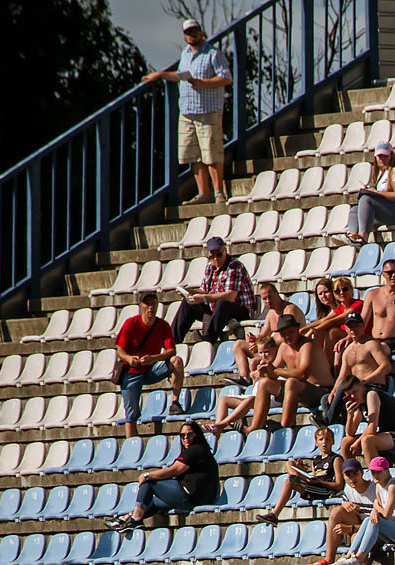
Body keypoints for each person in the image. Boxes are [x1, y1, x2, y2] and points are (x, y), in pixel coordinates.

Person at [145, 18, 233, 205]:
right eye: (188, 32)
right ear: (185, 35)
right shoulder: (185, 54)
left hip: (207, 109)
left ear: (201, 32)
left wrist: (203, 83)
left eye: (195, 31)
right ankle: (203, 193)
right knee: (193, 154)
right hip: (187, 110)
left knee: (211, 152)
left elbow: (226, 78)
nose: (192, 35)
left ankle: (218, 192)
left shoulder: (213, 53)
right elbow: (179, 75)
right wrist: (160, 75)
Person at [339, 457, 395, 565]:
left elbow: (386, 515)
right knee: (368, 520)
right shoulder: (378, 486)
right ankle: (349, 555)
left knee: (375, 521)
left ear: (387, 470)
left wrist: (375, 506)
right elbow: (379, 510)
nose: (375, 475)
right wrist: (375, 509)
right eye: (373, 472)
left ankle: (359, 559)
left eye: (378, 472)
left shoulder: (394, 485)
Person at [127, 421, 218, 529]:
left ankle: (136, 519)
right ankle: (129, 518)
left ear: (197, 435)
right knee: (156, 502)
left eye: (189, 435)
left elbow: (174, 470)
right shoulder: (202, 449)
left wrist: (147, 475)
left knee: (149, 482)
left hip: (190, 496)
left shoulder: (195, 450)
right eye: (182, 435)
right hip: (200, 498)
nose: (185, 438)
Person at [112, 289, 177, 436]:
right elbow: (120, 350)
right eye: (147, 304)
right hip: (132, 371)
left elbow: (172, 350)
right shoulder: (131, 323)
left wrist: (153, 358)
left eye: (153, 303)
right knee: (131, 414)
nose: (150, 307)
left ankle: (176, 401)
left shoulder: (163, 325)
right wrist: (129, 358)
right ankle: (132, 447)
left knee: (176, 361)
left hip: (152, 368)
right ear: (141, 306)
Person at [171, 236, 254, 350]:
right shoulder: (210, 267)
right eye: (211, 256)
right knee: (188, 303)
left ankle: (208, 341)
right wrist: (189, 292)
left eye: (218, 255)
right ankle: (171, 342)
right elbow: (204, 291)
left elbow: (230, 295)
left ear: (225, 251)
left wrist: (204, 298)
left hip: (239, 309)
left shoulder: (235, 267)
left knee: (222, 304)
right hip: (217, 309)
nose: (215, 259)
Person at [261, 425, 342, 522]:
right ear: (316, 443)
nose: (324, 442)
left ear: (333, 441)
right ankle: (295, 476)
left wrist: (321, 483)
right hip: (314, 488)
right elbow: (314, 478)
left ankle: (275, 514)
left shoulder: (336, 459)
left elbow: (339, 485)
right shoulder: (316, 460)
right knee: (290, 463)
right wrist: (302, 471)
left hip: (325, 491)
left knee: (289, 481)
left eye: (327, 439)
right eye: (321, 439)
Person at [350, 141, 395, 237]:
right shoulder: (382, 173)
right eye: (379, 156)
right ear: (375, 158)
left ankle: (362, 236)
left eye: (385, 156)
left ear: (391, 156)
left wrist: (376, 193)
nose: (382, 159)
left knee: (366, 199)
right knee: (355, 210)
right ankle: (353, 236)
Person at [314, 458, 375, 565]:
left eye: (355, 473)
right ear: (343, 477)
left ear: (361, 472)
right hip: (361, 526)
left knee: (355, 537)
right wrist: (344, 503)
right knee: (337, 511)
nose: (352, 478)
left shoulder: (374, 489)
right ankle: (329, 559)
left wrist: (350, 528)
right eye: (348, 475)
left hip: (375, 530)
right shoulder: (348, 490)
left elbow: (377, 524)